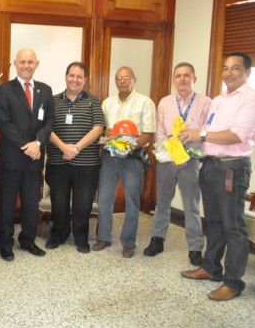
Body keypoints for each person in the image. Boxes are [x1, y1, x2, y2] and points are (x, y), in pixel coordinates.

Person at [180, 52, 255, 301]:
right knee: (212, 220)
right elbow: (209, 130)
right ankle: (211, 268)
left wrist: (199, 135)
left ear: (247, 72)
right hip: (210, 165)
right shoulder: (219, 99)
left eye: (235, 68)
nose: (228, 73)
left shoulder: (250, 98)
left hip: (231, 168)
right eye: (225, 68)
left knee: (233, 225)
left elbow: (236, 135)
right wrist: (194, 137)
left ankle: (233, 282)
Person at [143, 63, 212, 265]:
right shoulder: (165, 102)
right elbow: (160, 132)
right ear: (173, 79)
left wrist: (185, 154)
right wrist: (173, 154)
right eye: (178, 76)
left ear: (194, 78)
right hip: (167, 159)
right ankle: (157, 239)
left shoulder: (205, 102)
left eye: (186, 75)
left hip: (191, 160)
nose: (182, 79)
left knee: (191, 205)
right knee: (162, 202)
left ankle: (195, 248)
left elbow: (207, 130)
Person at [0, 48, 55, 261]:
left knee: (31, 202)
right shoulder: (4, 90)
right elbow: (4, 123)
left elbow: (50, 121)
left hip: (35, 157)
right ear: (15, 63)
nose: (26, 65)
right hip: (13, 156)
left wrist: (37, 143)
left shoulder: (45, 91)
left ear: (37, 64)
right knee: (7, 203)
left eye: (30, 62)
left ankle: (28, 240)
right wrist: (27, 145)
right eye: (22, 62)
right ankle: (4, 242)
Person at [93, 66, 156, 258]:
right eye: (119, 78)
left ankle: (128, 242)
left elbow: (148, 133)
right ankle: (103, 237)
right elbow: (103, 128)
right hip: (109, 158)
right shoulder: (107, 103)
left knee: (132, 202)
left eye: (126, 77)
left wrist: (128, 146)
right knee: (104, 199)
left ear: (134, 79)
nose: (122, 81)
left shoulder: (145, 102)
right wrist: (107, 132)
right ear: (115, 81)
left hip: (132, 159)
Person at [45, 62, 104, 253]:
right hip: (58, 161)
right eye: (72, 75)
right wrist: (63, 147)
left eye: (79, 77)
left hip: (86, 164)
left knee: (83, 203)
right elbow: (46, 128)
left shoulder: (93, 101)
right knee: (59, 202)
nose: (75, 80)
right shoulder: (52, 101)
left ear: (85, 80)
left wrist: (76, 148)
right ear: (65, 76)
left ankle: (81, 238)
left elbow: (98, 129)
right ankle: (58, 235)